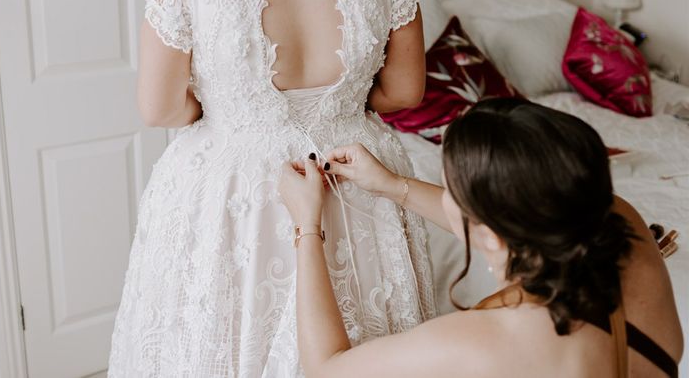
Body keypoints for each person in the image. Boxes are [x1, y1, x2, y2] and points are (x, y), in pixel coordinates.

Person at [108, 0, 438, 377]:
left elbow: (159, 108)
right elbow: (404, 93)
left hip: (235, 188)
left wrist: (231, 112)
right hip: (353, 174)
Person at [279, 98, 683, 377]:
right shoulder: (617, 216)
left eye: (451, 191)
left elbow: (327, 369)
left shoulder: (488, 341)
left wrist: (307, 225)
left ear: (491, 235)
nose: (447, 198)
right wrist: (392, 184)